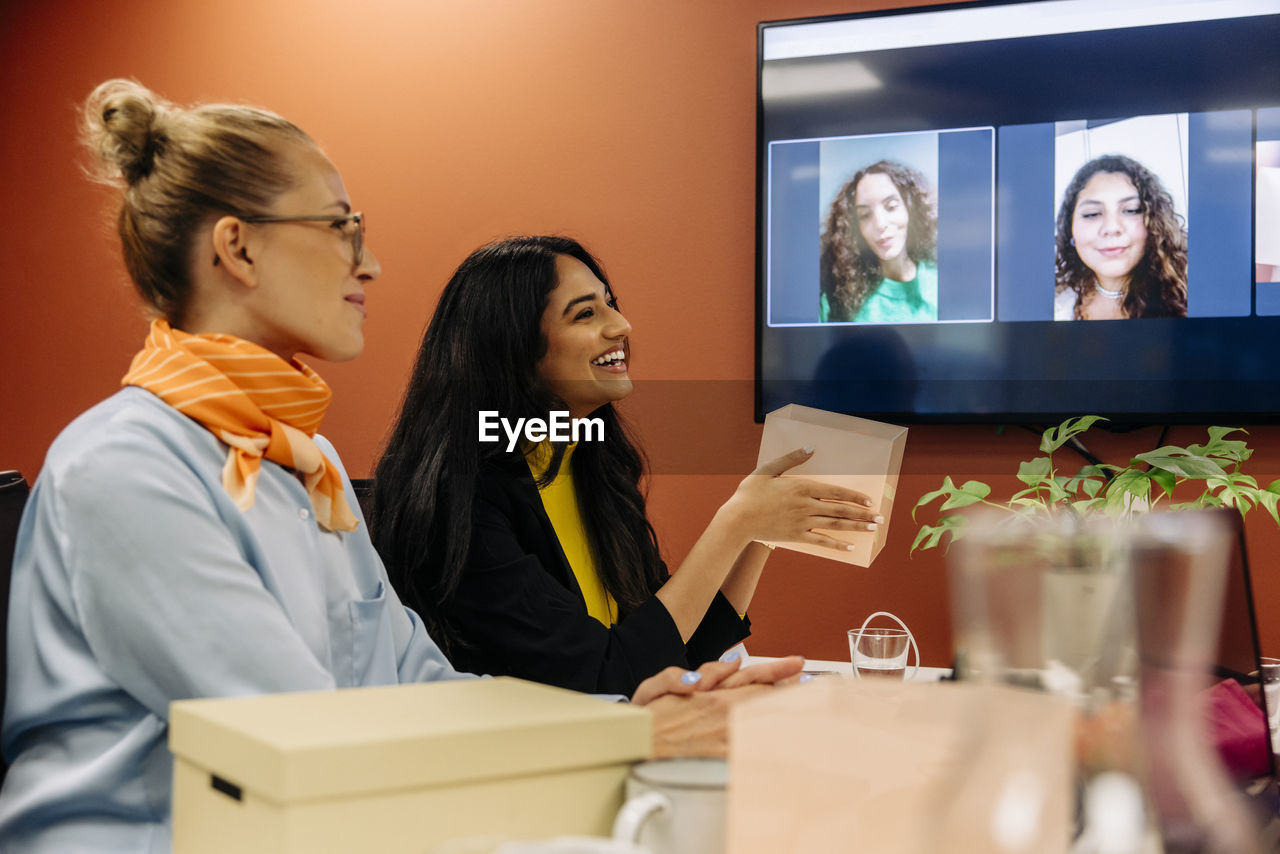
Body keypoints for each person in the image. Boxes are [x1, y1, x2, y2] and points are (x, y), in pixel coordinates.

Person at [0, 80, 801, 853]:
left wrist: (615, 719)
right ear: (237, 248)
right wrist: (623, 730)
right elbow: (301, 738)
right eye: (342, 229)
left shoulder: (306, 466)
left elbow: (418, 686)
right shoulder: (126, 470)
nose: (371, 263)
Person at [369, 235, 881, 697]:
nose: (622, 326)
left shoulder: (586, 459)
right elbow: (605, 679)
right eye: (585, 314)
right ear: (515, 350)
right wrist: (734, 524)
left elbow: (673, 648)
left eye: (610, 304)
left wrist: (759, 534)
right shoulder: (462, 500)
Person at [1054, 154, 1188, 320]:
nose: (1111, 228)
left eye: (1131, 210)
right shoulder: (1056, 304)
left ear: (1155, 223)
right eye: (1092, 214)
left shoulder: (1190, 295)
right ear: (1070, 229)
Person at [819, 159, 939, 323]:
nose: (880, 224)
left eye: (891, 207)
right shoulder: (837, 299)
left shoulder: (942, 285)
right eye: (865, 216)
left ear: (911, 209)